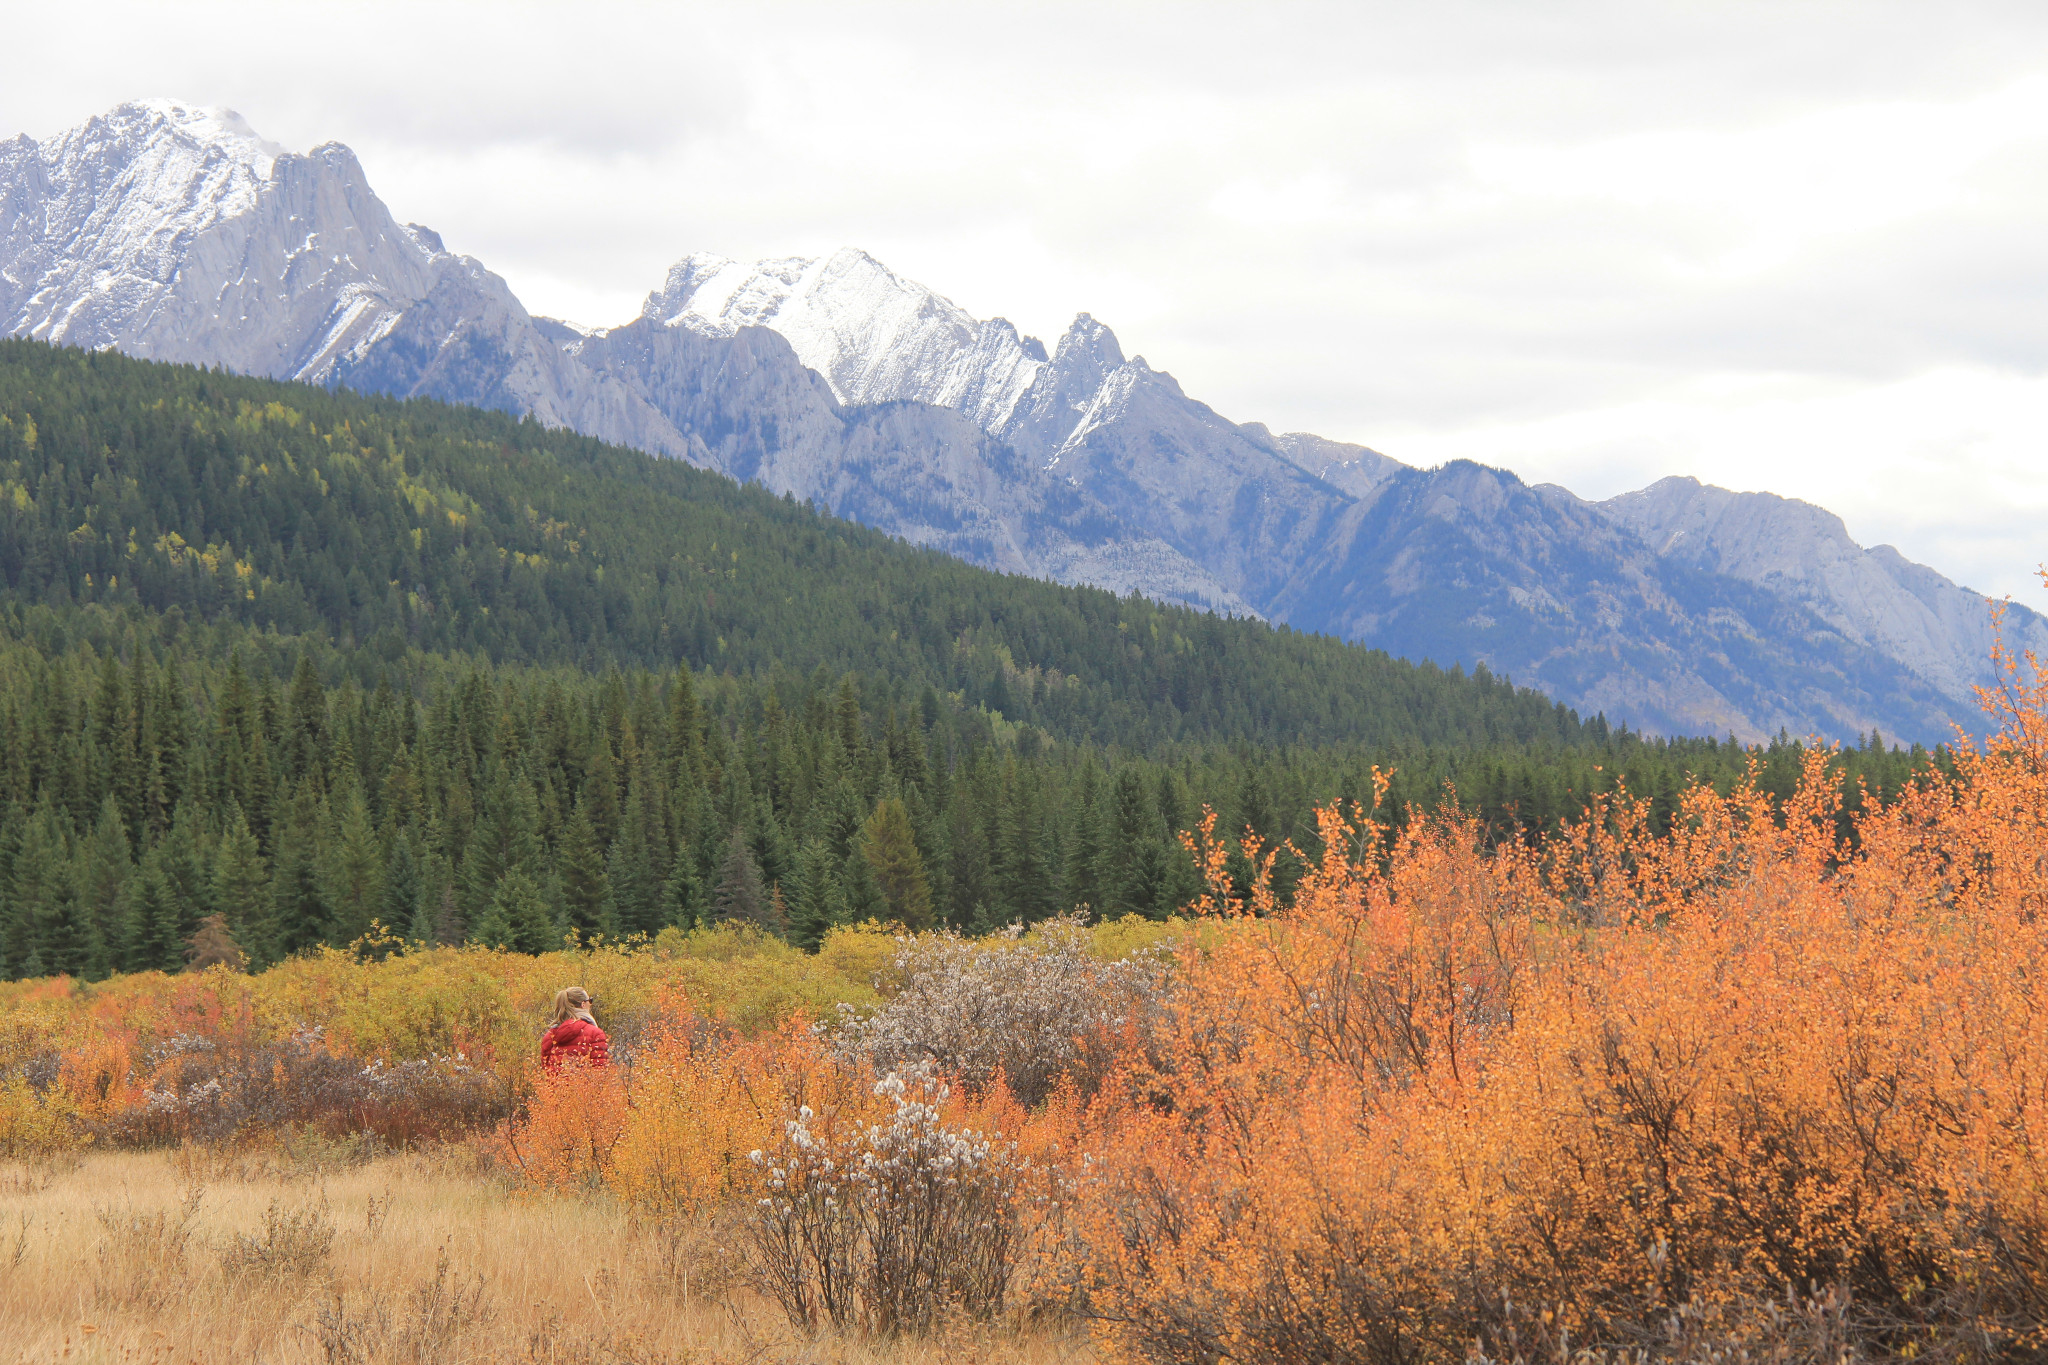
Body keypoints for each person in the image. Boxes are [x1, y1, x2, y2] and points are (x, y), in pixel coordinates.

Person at [540, 986, 610, 1071]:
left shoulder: (550, 1035)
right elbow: (600, 1072)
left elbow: (545, 1069)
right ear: (583, 1004)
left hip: (555, 1084)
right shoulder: (595, 1034)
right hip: (585, 1083)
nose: (590, 1004)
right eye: (590, 1001)